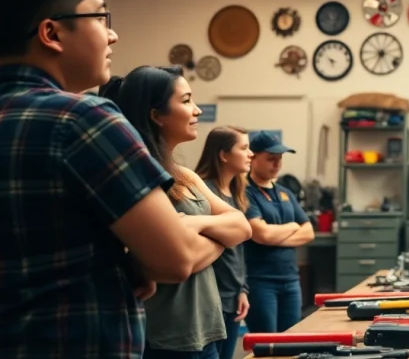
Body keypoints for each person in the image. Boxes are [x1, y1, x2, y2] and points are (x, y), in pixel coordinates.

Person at [0, 0, 213, 358]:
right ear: (52, 33)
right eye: (100, 18)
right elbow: (176, 260)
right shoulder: (82, 120)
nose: (112, 34)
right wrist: (137, 264)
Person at [100, 66, 253, 359]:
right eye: (186, 101)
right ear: (156, 115)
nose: (196, 110)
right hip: (164, 340)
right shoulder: (134, 176)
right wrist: (219, 234)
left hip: (205, 331)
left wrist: (193, 223)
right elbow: (179, 261)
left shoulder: (185, 175)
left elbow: (241, 227)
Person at [244, 130, 314, 334]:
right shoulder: (246, 192)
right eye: (271, 159)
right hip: (260, 283)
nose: (277, 164)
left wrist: (273, 236)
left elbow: (309, 232)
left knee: (290, 343)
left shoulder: (285, 192)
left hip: (290, 281)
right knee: (266, 346)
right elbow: (261, 235)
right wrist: (292, 227)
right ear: (253, 158)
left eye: (280, 159)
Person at [195, 126, 254, 359]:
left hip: (232, 296)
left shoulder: (235, 192)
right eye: (244, 148)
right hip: (211, 297)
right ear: (223, 154)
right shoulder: (203, 190)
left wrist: (242, 289)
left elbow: (239, 250)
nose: (251, 154)